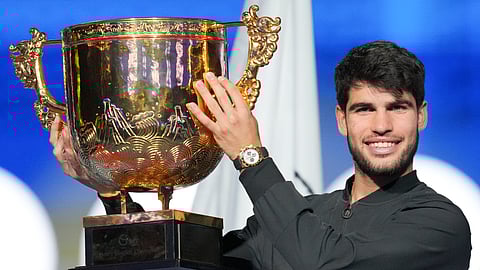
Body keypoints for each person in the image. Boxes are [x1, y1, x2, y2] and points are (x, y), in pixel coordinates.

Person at [50, 40, 471, 269]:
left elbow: (323, 263)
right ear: (341, 120)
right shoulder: (291, 217)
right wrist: (112, 189)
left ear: (422, 117)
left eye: (397, 108)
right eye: (365, 109)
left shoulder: (439, 223)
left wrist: (250, 156)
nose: (381, 126)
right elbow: (167, 262)